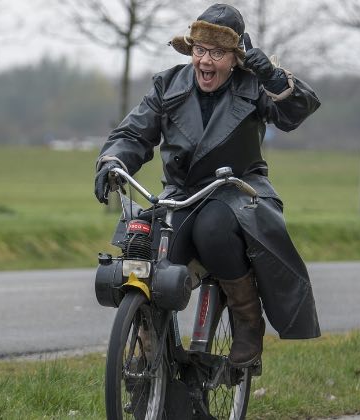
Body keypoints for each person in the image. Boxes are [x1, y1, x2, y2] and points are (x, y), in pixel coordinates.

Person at [94, 3, 321, 368]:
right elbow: (134, 133)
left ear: (235, 58)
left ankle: (248, 324)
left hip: (238, 190)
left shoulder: (253, 86)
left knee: (212, 229)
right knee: (150, 244)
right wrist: (113, 161)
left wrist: (274, 77)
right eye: (200, 50)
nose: (205, 62)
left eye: (217, 53)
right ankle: (147, 341)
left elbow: (296, 112)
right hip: (182, 194)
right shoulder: (167, 84)